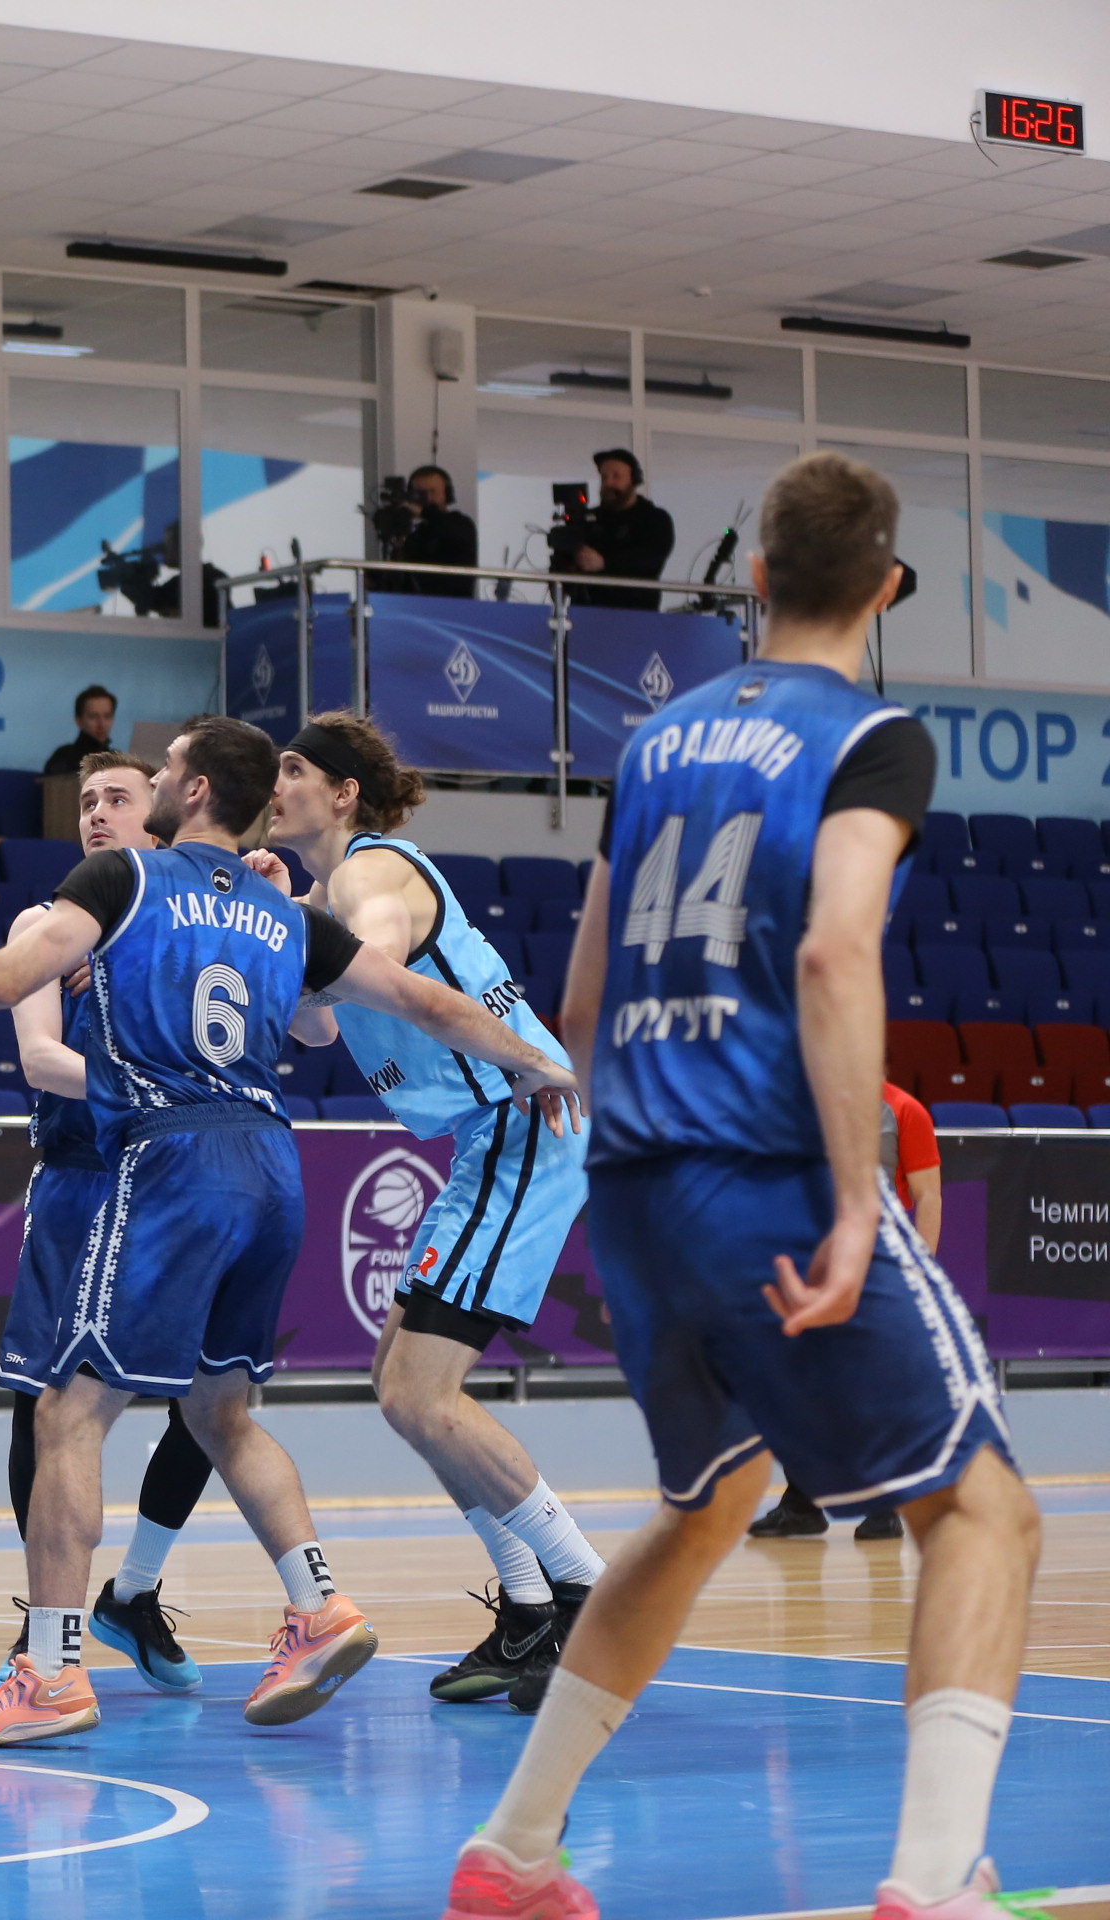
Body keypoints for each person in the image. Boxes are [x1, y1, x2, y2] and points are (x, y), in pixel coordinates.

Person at [439, 451, 1043, 1920]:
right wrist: (855, 1199)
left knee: (707, 1502)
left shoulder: (656, 743)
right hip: (764, 1169)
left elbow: (582, 1000)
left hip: (636, 1179)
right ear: (888, 589)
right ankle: (934, 1881)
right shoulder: (874, 736)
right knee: (986, 1513)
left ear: (755, 579)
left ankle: (514, 1852)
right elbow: (834, 951)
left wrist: (635, 1165)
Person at [0, 716, 581, 1748]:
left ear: (195, 791)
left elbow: (1, 980)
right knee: (220, 1413)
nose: (149, 779)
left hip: (171, 1161)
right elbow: (420, 999)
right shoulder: (286, 913)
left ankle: (51, 1672)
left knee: (68, 1417)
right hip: (273, 1168)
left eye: (162, 770)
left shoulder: (124, 882)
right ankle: (319, 1607)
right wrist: (534, 1056)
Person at [261, 711, 609, 1714]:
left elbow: (394, 984)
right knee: (399, 1387)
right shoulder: (326, 894)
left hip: (520, 1121)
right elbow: (315, 1027)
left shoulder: (372, 875)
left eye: (294, 768)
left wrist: (536, 1060)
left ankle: (588, 1595)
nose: (276, 783)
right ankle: (529, 1604)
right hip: (485, 1135)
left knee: (421, 1395)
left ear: (343, 795)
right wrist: (284, 920)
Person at [0, 749, 209, 1694]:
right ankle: (48, 1613)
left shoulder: (192, 924)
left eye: (117, 798)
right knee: (39, 1408)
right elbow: (41, 1059)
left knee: (211, 1402)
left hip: (175, 1184)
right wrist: (162, 1089)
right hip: (82, 1181)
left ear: (157, 815)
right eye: (86, 800)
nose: (95, 813)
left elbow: (302, 1024)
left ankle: (137, 1588)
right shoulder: (45, 925)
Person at [746, 1076, 939, 1545]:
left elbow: (929, 1196)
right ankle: (802, 1505)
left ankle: (883, 1506)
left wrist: (919, 1272)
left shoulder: (904, 1110)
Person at [559, 448, 676, 611]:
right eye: (604, 477)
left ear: (634, 479)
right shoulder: (588, 519)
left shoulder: (654, 519)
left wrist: (604, 562)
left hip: (636, 614)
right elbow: (564, 565)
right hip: (586, 613)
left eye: (616, 476)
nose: (608, 483)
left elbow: (650, 557)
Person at [375, 466, 479, 598]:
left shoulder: (461, 523)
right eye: (420, 493)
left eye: (433, 492)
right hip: (416, 604)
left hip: (454, 604)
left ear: (446, 494)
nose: (427, 498)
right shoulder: (414, 535)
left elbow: (450, 531)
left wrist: (424, 512)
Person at [40, 687, 119, 777]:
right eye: (93, 716)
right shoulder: (64, 758)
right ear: (79, 720)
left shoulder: (117, 760)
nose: (101, 724)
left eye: (107, 716)